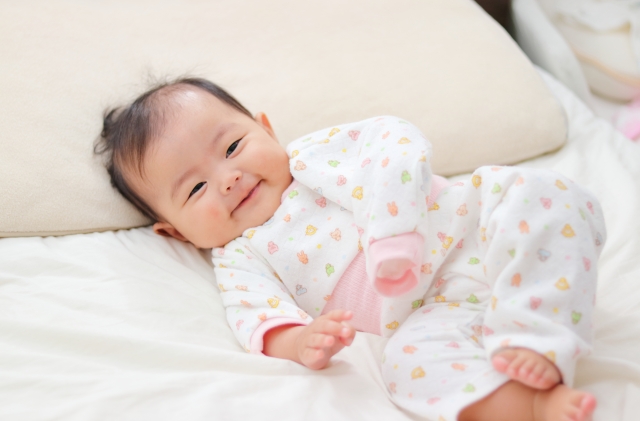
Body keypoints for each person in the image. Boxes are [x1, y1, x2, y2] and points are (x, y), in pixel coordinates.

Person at [96, 77, 605, 421]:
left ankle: (536, 335)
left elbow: (395, 142)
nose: (227, 178)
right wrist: (301, 341)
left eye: (232, 148)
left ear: (266, 128)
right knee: (408, 367)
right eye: (195, 189)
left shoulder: (315, 157)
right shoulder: (240, 257)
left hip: (473, 226)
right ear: (178, 233)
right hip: (429, 309)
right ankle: (530, 405)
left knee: (542, 195)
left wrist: (394, 232)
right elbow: (259, 321)